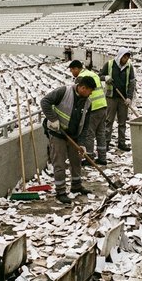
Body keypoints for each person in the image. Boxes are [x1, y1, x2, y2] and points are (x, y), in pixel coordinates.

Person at [41, 76, 97, 204]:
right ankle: (60, 191)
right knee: (59, 163)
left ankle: (76, 185)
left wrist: (82, 144)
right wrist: (53, 119)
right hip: (58, 134)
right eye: (90, 90)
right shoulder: (63, 92)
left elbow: (85, 125)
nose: (91, 94)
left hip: (74, 136)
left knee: (76, 161)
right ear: (83, 88)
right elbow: (45, 102)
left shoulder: (88, 103)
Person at [68, 60, 108, 165]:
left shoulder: (81, 78)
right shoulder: (93, 74)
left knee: (89, 134)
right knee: (101, 133)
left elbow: (78, 95)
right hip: (103, 105)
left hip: (93, 108)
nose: (72, 73)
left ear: (76, 68)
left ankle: (89, 157)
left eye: (72, 70)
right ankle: (102, 158)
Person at [101, 48, 135, 151]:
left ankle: (122, 142)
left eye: (127, 57)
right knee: (109, 120)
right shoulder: (110, 64)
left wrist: (129, 97)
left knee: (122, 121)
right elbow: (100, 76)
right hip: (111, 97)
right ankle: (106, 142)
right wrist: (105, 77)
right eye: (124, 57)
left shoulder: (129, 67)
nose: (126, 59)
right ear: (120, 56)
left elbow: (131, 83)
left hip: (123, 98)